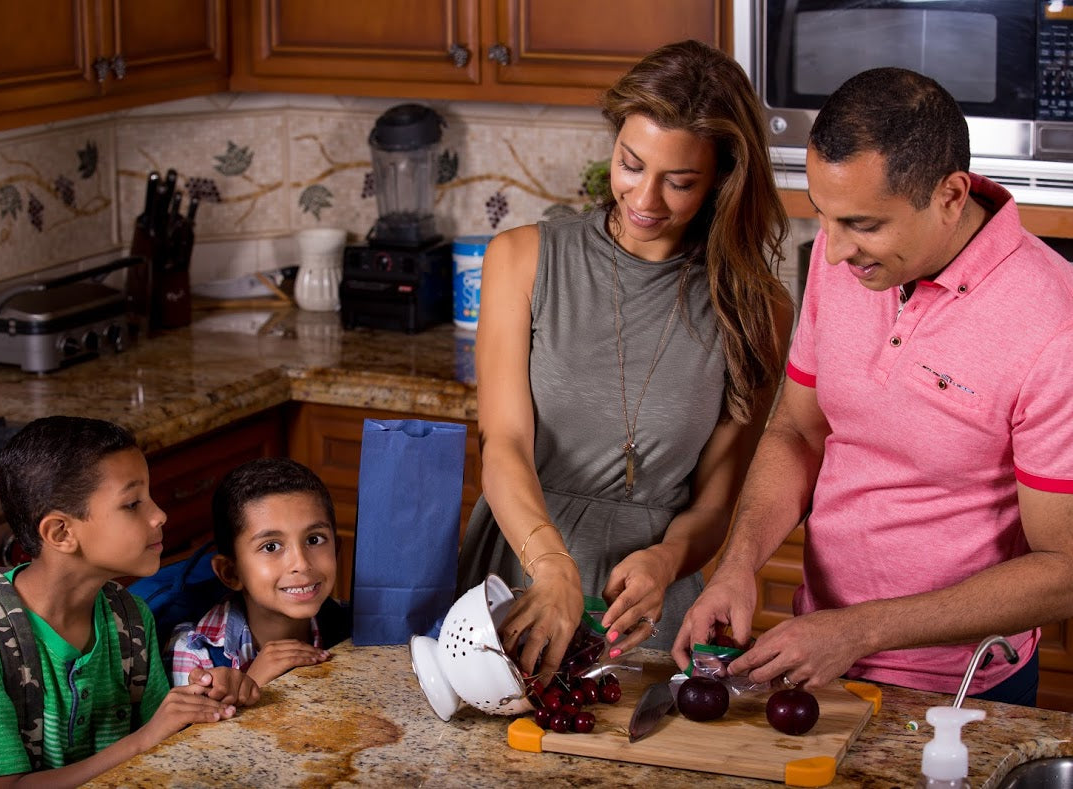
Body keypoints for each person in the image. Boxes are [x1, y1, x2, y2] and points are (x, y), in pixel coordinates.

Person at [674, 67, 1073, 706]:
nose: (830, 253)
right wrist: (737, 564)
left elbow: (1065, 569)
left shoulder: (1055, 324)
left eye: (862, 224)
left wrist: (862, 630)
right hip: (821, 657)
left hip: (962, 690)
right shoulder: (850, 266)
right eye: (823, 217)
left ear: (950, 195)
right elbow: (800, 430)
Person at [456, 39, 794, 678]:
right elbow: (501, 444)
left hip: (648, 609)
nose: (645, 199)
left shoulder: (757, 310)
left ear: (723, 177)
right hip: (521, 575)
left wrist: (668, 561)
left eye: (680, 181)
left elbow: (716, 500)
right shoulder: (523, 259)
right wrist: (551, 565)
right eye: (630, 165)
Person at [0, 416, 259, 788]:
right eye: (133, 503)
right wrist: (142, 740)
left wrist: (203, 698)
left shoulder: (130, 618)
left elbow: (163, 744)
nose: (159, 515)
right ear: (60, 532)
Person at [168, 457, 349, 687]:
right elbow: (203, 724)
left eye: (314, 539)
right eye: (271, 546)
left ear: (337, 550)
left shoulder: (356, 625)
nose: (301, 564)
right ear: (230, 573)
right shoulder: (198, 651)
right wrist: (254, 684)